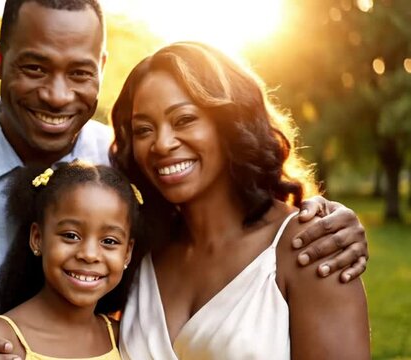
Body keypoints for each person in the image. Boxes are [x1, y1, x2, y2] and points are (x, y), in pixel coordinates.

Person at [0, 1, 369, 358]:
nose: (59, 96)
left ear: (101, 68)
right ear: (0, 59)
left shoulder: (118, 171)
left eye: (79, 73)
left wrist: (331, 217)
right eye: (35, 68)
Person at [110, 41, 370, 359]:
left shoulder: (311, 247)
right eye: (144, 129)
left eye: (184, 120)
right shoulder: (136, 255)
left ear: (229, 123)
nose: (162, 144)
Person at [0, 161, 138, 359]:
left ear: (127, 253)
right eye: (71, 235)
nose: (89, 254)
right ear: (37, 238)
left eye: (109, 241)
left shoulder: (121, 338)